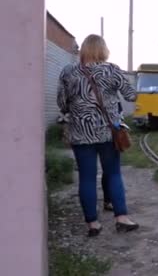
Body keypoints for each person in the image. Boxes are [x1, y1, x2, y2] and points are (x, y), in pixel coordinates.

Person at [57, 34, 139, 237]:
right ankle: (121, 219)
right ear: (103, 50)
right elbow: (131, 95)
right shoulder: (111, 69)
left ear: (83, 49)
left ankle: (92, 224)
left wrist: (78, 106)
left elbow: (62, 102)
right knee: (113, 174)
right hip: (108, 132)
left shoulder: (68, 71)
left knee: (86, 178)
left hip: (80, 132)